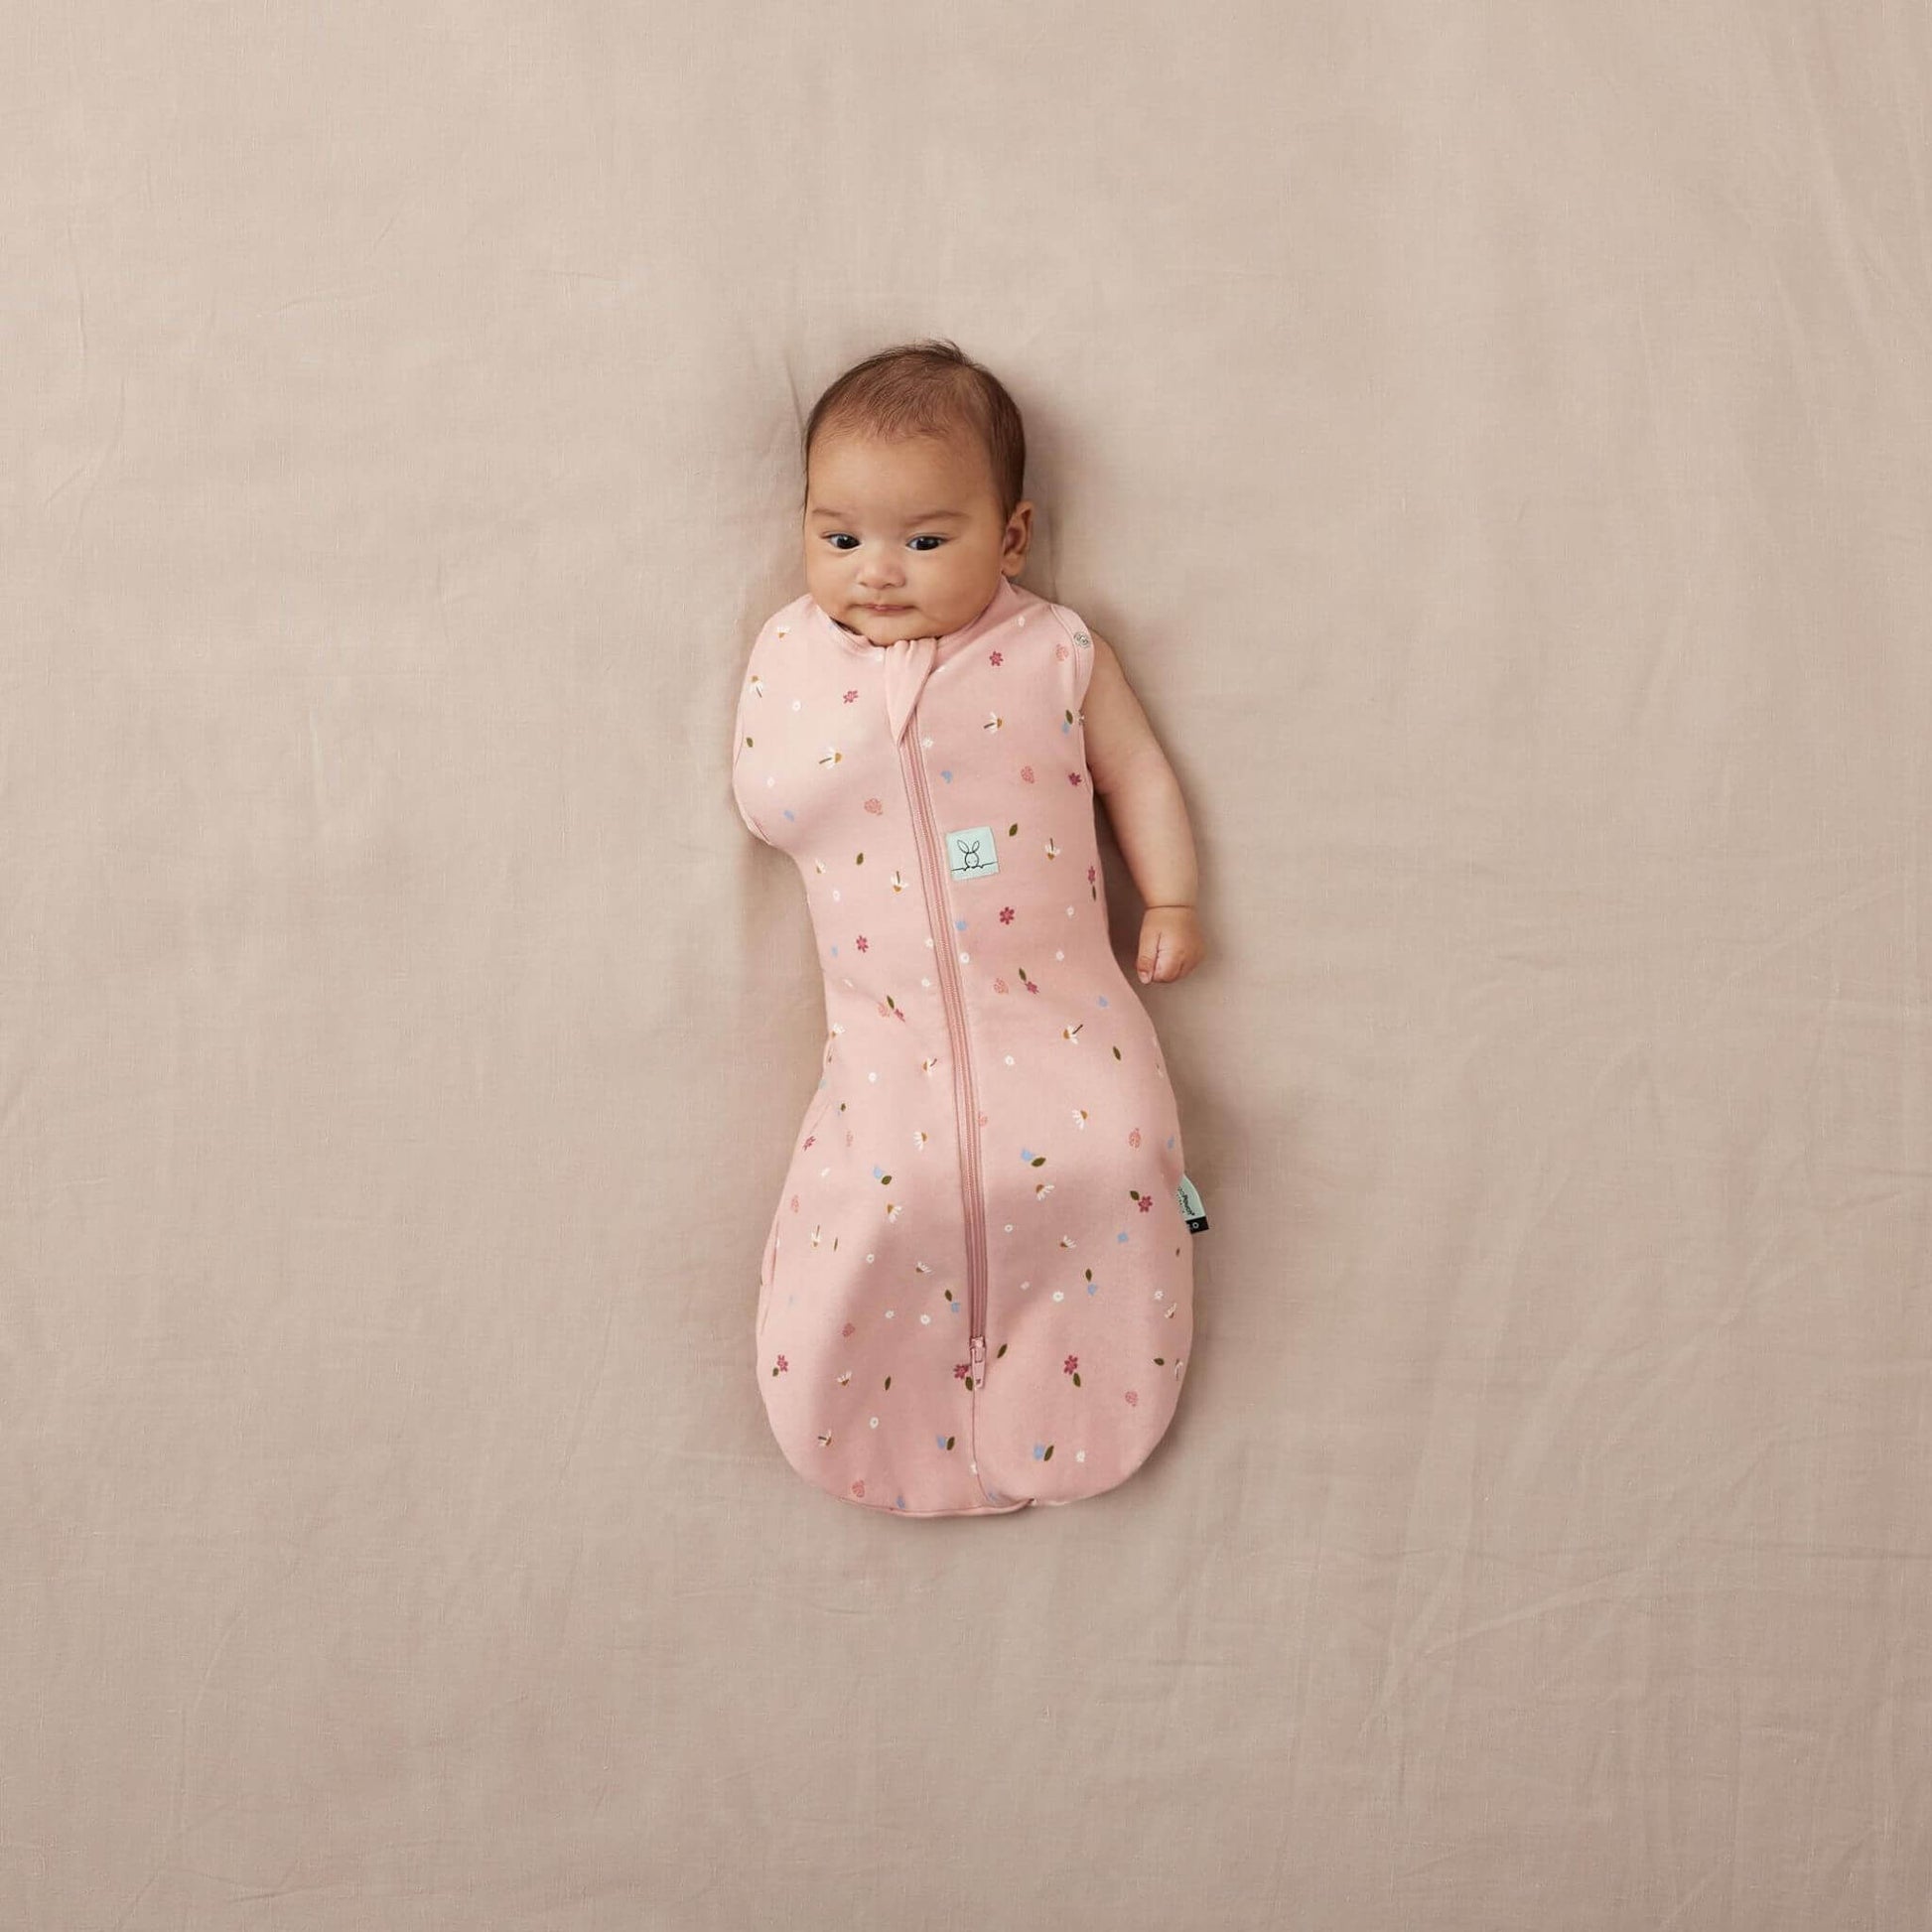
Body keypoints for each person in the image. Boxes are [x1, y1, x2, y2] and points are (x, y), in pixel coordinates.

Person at [797, 338, 1205, 985]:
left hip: (1061, 997)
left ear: (1010, 540)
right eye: (842, 540)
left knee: (1111, 1089)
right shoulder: (800, 657)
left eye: (924, 541)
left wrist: (1172, 899)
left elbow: (1137, 774)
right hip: (886, 1014)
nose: (876, 573)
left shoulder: (1056, 652)